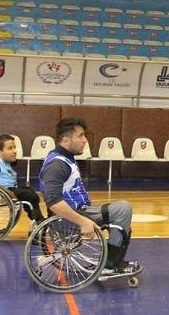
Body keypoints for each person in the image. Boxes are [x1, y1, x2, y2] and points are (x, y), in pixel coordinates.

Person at [39, 118, 140, 276]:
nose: (85, 140)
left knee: (120, 213)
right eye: (80, 136)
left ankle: (112, 261)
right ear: (66, 139)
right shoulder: (57, 165)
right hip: (68, 219)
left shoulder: (65, 158)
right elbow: (53, 202)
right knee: (122, 209)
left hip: (78, 212)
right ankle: (110, 265)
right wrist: (83, 221)